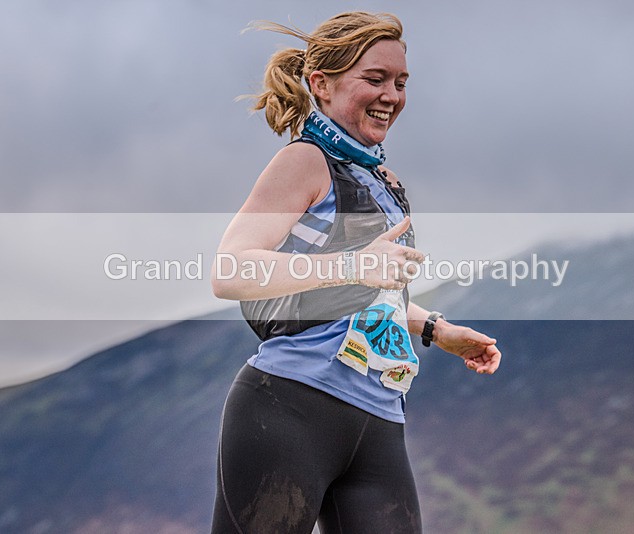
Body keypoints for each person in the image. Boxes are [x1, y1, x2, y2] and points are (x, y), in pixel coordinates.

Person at [210, 11, 501, 533]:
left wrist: (437, 329)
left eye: (401, 82)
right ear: (321, 84)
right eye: (374, 79)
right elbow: (229, 269)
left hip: (379, 422)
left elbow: (363, 290)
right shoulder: (304, 160)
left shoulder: (379, 176)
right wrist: (355, 262)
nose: (392, 94)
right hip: (288, 409)